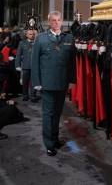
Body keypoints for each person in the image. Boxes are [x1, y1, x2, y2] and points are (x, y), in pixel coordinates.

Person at [31, 11, 76, 156]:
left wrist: (72, 80)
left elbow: (72, 63)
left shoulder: (69, 38)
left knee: (57, 113)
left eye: (58, 20)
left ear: (62, 22)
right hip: (47, 83)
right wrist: (37, 82)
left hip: (62, 83)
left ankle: (54, 138)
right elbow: (35, 62)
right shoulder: (41, 39)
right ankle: (49, 144)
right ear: (49, 22)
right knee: (48, 114)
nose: (56, 23)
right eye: (53, 20)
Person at [15, 29, 39, 102]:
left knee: (34, 82)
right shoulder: (22, 43)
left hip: (35, 66)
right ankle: (25, 95)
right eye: (30, 34)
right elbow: (18, 55)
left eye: (33, 34)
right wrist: (17, 65)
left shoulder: (37, 43)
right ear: (26, 35)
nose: (32, 36)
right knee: (25, 82)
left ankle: (33, 96)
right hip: (25, 66)